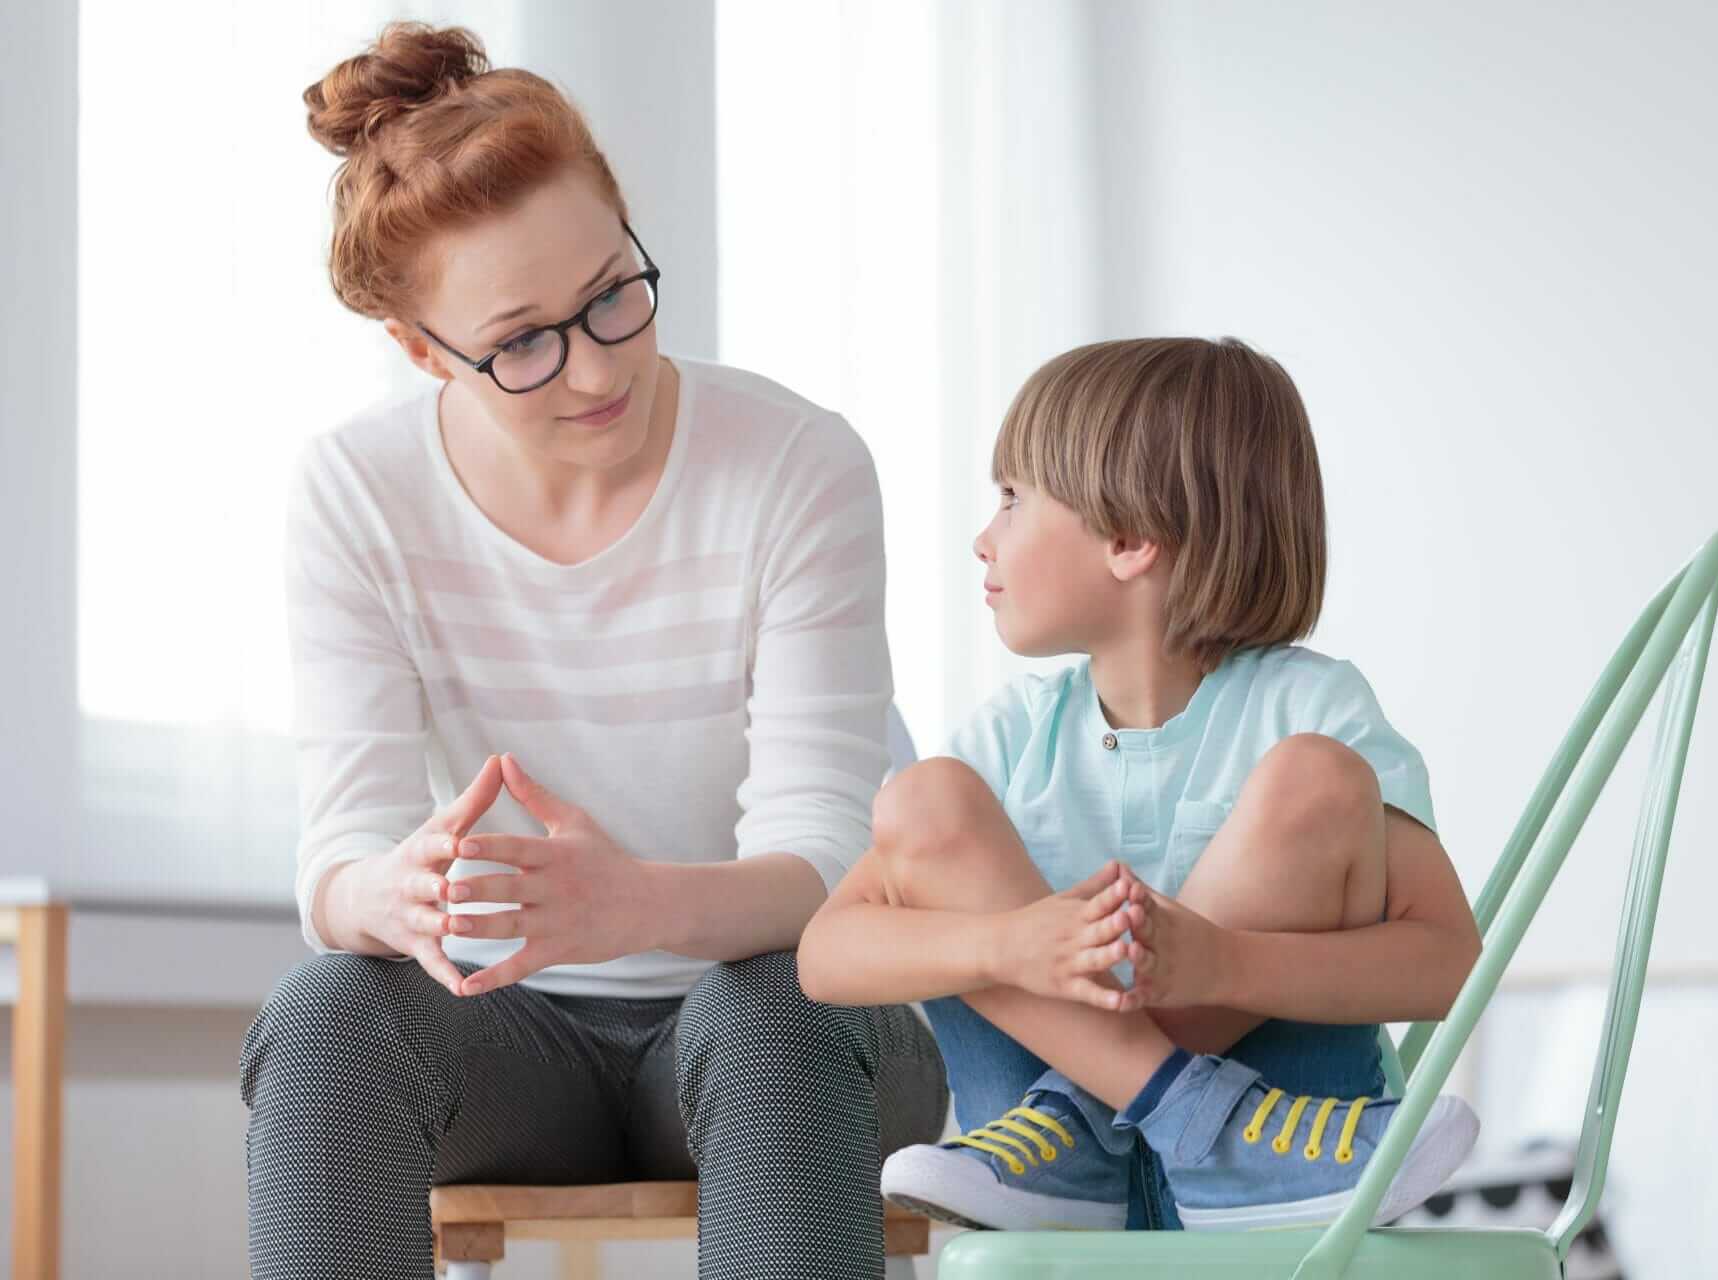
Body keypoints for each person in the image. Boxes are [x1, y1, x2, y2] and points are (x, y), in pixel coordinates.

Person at [238, 22, 945, 1280]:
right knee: (330, 1010)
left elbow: (828, 863)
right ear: (420, 350)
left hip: (778, 1022)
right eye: (522, 342)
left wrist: (639, 904)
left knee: (772, 1000)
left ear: (628, 230)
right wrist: (385, 891)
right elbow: (334, 863)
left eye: (614, 293)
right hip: (510, 1042)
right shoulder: (357, 491)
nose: (598, 366)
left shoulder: (796, 466)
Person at [799, 336, 1482, 1231]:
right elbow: (825, 955)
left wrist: (1225, 960)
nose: (984, 536)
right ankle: (1145, 1131)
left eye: (1012, 499)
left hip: (1294, 1172)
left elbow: (1448, 966)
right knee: (923, 799)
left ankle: (1138, 1127)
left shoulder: (1313, 713)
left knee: (1314, 779)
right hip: (1047, 1177)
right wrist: (1013, 945)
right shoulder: (1006, 743)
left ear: (1128, 540)